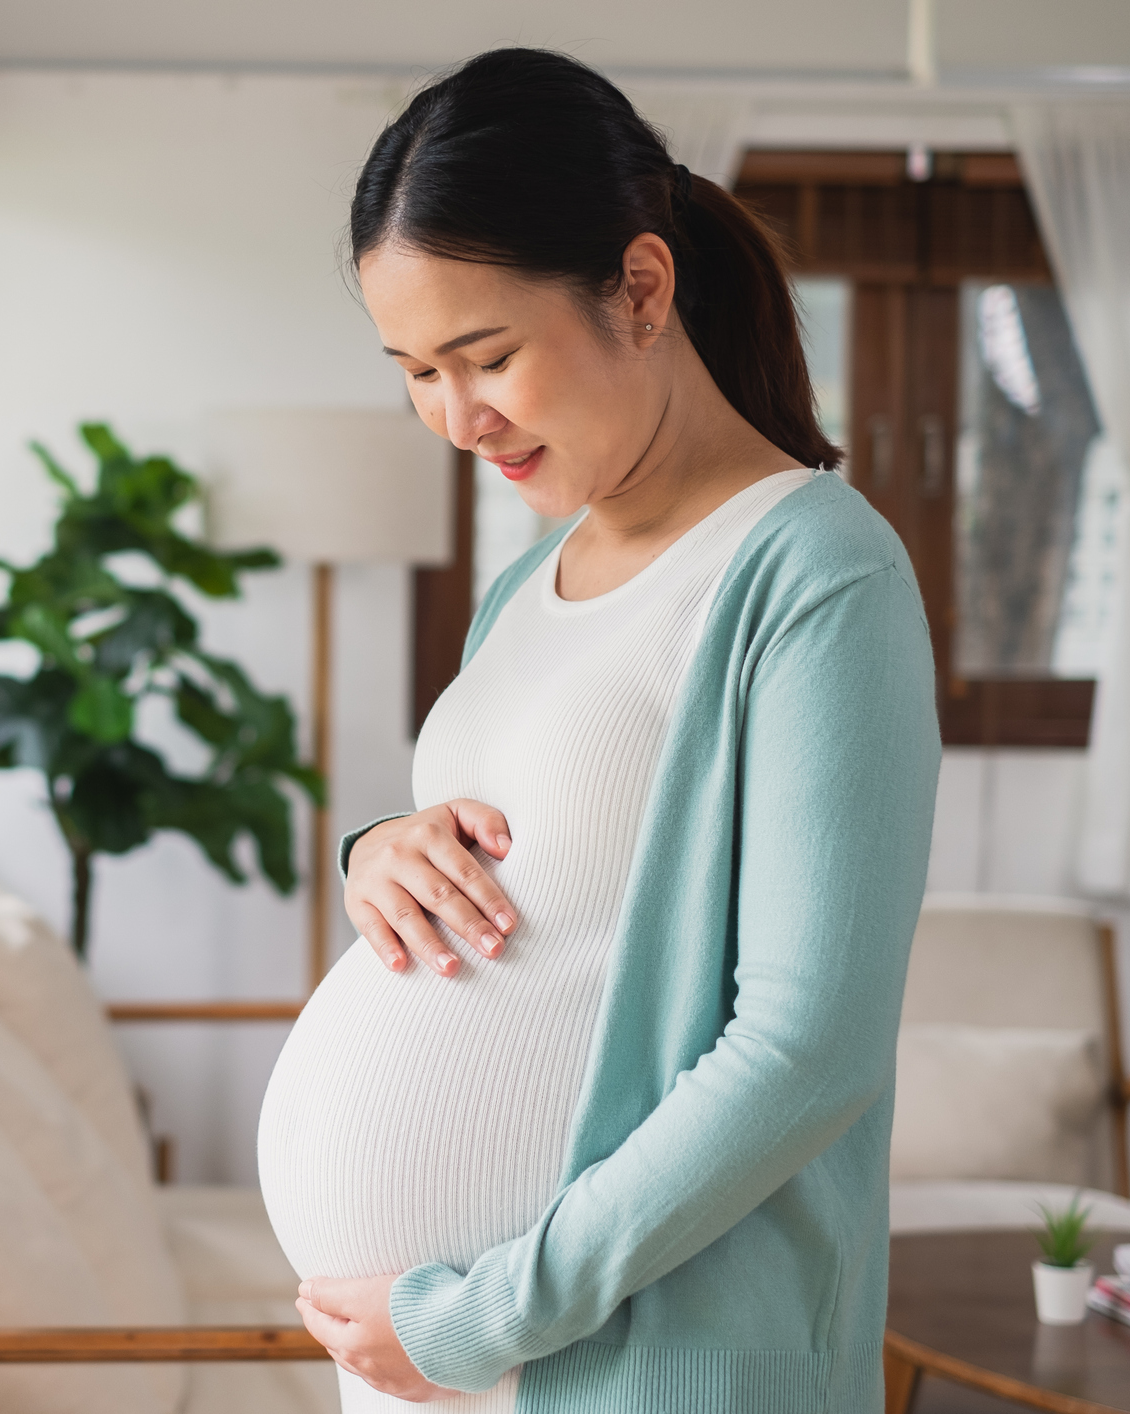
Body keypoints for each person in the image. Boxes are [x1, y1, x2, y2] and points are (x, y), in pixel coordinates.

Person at [254, 48, 940, 1413]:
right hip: (435, 1367)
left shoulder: (811, 570)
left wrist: (478, 1315)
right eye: (414, 371)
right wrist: (376, 849)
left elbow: (806, 1050)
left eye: (485, 354)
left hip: (614, 1362)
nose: (457, 417)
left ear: (637, 286)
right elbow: (546, 872)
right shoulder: (524, 581)